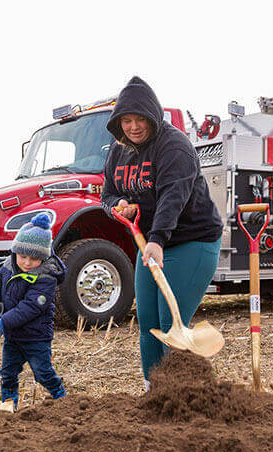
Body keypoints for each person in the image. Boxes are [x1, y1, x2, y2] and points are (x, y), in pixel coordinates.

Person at [100, 76, 223, 391]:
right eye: (126, 120)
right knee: (149, 324)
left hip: (191, 240)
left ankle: (184, 394)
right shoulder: (118, 150)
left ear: (153, 116)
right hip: (151, 243)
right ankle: (153, 392)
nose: (133, 127)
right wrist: (118, 206)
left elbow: (173, 197)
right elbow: (108, 194)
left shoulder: (174, 146)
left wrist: (157, 239)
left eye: (140, 119)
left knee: (171, 324)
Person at [0, 214, 66, 409]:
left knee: (42, 373)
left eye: (34, 258)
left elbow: (30, 307)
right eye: (23, 256)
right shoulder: (9, 265)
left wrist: (4, 322)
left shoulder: (46, 277)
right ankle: (10, 404)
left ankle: (61, 397)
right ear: (16, 251)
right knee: (8, 373)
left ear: (43, 257)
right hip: (13, 336)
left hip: (36, 336)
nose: (26, 262)